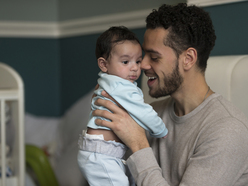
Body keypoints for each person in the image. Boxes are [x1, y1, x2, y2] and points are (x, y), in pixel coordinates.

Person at [92, 3, 248, 186]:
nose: (142, 65)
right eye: (144, 55)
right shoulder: (151, 113)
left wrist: (138, 144)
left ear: (188, 59)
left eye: (154, 57)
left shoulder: (227, 131)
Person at [77, 26, 168, 186]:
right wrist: (160, 129)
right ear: (104, 64)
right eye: (125, 62)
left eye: (138, 61)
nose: (134, 67)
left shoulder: (107, 81)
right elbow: (143, 111)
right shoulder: (122, 87)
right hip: (102, 154)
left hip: (102, 153)